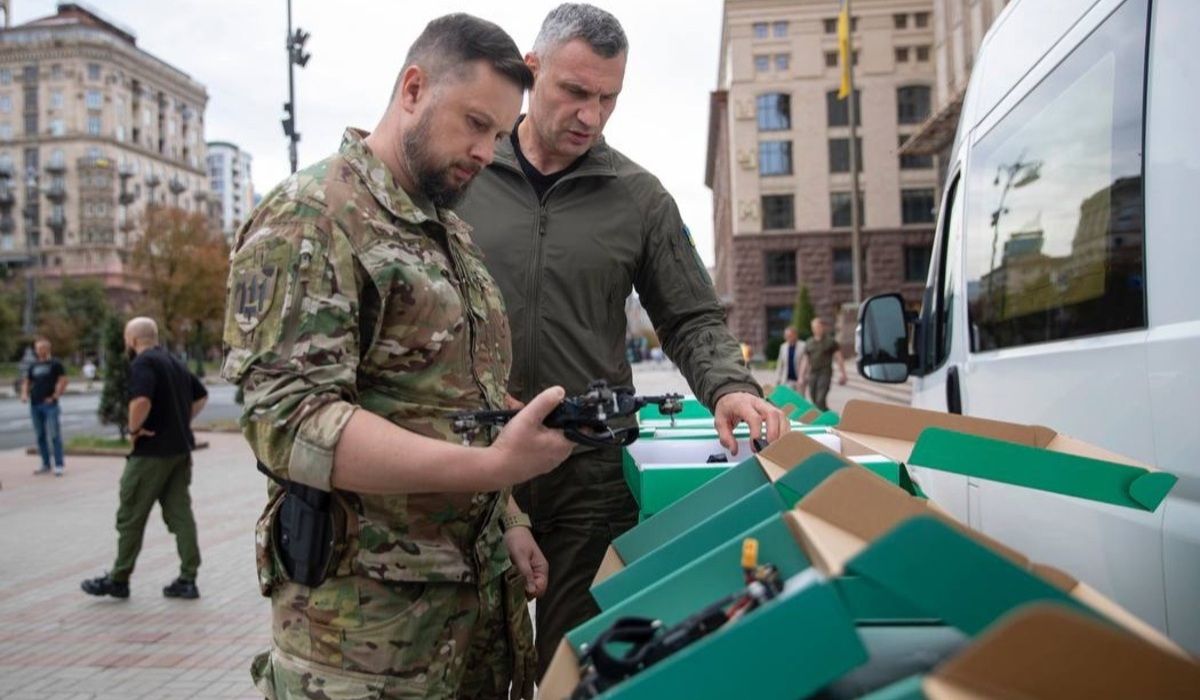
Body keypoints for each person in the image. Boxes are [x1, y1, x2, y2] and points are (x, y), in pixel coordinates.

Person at [220, 14, 574, 700]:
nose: (486, 151)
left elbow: (460, 405)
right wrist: (490, 466)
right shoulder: (313, 216)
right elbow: (291, 422)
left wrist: (509, 518)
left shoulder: (449, 232)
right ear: (413, 88)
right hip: (366, 643)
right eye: (474, 122)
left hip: (469, 623)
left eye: (499, 134)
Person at [455, 3, 789, 678]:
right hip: (469, 468)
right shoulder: (463, 175)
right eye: (575, 92)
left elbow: (692, 317)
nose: (592, 115)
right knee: (469, 669)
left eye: (608, 98)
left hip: (590, 476)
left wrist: (729, 386)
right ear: (532, 69)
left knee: (574, 668)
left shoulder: (639, 198)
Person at [81, 317, 207, 600]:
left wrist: (134, 429)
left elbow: (141, 401)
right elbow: (200, 397)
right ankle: (188, 578)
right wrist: (179, 422)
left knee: (131, 516)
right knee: (180, 514)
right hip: (179, 451)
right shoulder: (173, 361)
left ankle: (119, 578)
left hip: (151, 453)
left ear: (132, 340)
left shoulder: (143, 363)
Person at [20, 338, 68, 476]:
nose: (39, 351)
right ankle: (45, 464)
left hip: (50, 405)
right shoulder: (33, 365)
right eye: (37, 348)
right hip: (35, 404)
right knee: (40, 435)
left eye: (42, 348)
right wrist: (24, 394)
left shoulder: (55, 363)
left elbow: (63, 380)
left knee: (54, 435)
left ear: (48, 349)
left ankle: (59, 465)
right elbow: (27, 381)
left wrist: (55, 396)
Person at [798, 318, 848, 412]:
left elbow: (839, 357)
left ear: (822, 327)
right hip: (813, 373)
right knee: (813, 397)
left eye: (818, 327)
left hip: (825, 373)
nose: (816, 329)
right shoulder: (809, 342)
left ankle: (823, 420)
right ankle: (826, 415)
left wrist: (843, 374)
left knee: (820, 399)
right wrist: (801, 376)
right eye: (814, 327)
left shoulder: (830, 341)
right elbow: (805, 360)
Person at [773, 326, 803, 391]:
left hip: (799, 379)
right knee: (789, 399)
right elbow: (780, 364)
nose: (787, 337)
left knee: (799, 399)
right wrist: (778, 379)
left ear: (795, 335)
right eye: (786, 335)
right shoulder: (783, 347)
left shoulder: (803, 346)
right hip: (787, 379)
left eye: (790, 335)